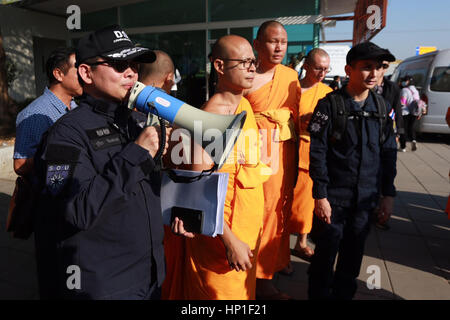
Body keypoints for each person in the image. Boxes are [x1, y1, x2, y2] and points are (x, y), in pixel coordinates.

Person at [32, 25, 172, 300]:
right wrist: (136, 153)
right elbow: (76, 209)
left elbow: (140, 191)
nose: (131, 72)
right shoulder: (65, 134)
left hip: (151, 274)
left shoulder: (134, 120)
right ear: (86, 73)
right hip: (105, 285)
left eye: (134, 64)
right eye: (120, 64)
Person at [164, 34, 270, 299]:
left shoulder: (244, 104)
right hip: (221, 239)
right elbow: (198, 191)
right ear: (220, 67)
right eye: (244, 62)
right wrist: (230, 241)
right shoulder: (211, 118)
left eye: (253, 62)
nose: (252, 68)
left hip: (247, 230)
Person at [307, 41, 397, 300]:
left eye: (378, 68)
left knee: (352, 259)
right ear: (349, 69)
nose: (374, 74)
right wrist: (320, 195)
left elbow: (389, 153)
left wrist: (387, 194)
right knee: (324, 258)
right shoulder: (329, 106)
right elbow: (317, 152)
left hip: (365, 201)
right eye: (366, 67)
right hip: (333, 200)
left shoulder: (382, 109)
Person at [244, 20, 300, 299]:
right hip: (252, 155)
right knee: (255, 213)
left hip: (282, 154)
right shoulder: (245, 75)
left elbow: (297, 116)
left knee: (277, 212)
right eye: (272, 41)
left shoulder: (290, 76)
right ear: (257, 45)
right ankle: (254, 276)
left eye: (284, 42)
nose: (279, 47)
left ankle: (268, 274)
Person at [289, 48, 332, 261]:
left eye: (326, 69)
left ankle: (301, 242)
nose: (322, 73)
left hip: (310, 153)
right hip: (287, 148)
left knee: (305, 203)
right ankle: (278, 245)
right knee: (285, 202)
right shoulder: (292, 88)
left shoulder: (328, 93)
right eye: (318, 68)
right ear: (306, 66)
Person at [13, 47, 82, 177]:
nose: (85, 75)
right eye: (79, 69)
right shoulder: (34, 114)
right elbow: (20, 165)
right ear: (58, 74)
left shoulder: (75, 107)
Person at [373, 55, 401, 230]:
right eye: (378, 65)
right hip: (367, 135)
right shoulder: (362, 87)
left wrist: (398, 132)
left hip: (386, 133)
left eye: (384, 66)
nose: (380, 69)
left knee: (385, 172)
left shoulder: (392, 88)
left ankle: (380, 211)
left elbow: (397, 109)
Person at [398, 76, 423, 152]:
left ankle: (403, 147)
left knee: (403, 129)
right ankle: (413, 140)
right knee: (411, 127)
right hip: (414, 112)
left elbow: (403, 102)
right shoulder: (416, 90)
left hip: (405, 112)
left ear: (407, 81)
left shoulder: (404, 90)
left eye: (404, 81)